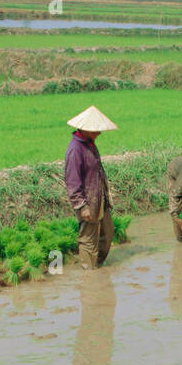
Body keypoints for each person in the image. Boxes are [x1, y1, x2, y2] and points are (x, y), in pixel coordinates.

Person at [64, 105, 118, 270]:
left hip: (99, 198)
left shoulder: (90, 144)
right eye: (96, 130)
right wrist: (82, 206)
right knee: (88, 240)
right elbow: (72, 182)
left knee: (107, 234)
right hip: (88, 202)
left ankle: (98, 266)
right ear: (85, 129)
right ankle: (89, 273)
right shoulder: (75, 150)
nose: (99, 133)